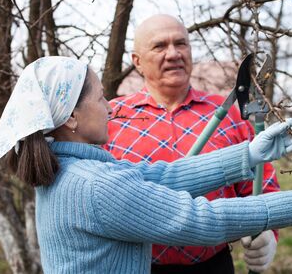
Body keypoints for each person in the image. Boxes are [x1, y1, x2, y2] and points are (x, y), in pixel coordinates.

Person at [0, 56, 292, 274]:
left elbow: (163, 176)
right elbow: (200, 220)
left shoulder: (71, 171)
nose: (109, 107)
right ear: (71, 117)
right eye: (102, 98)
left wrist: (249, 154)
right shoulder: (95, 186)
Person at [105, 14, 280, 273]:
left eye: (181, 43)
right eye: (160, 46)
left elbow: (262, 183)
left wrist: (267, 230)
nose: (174, 53)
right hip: (136, 265)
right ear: (137, 61)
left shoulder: (228, 112)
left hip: (213, 264)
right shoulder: (111, 117)